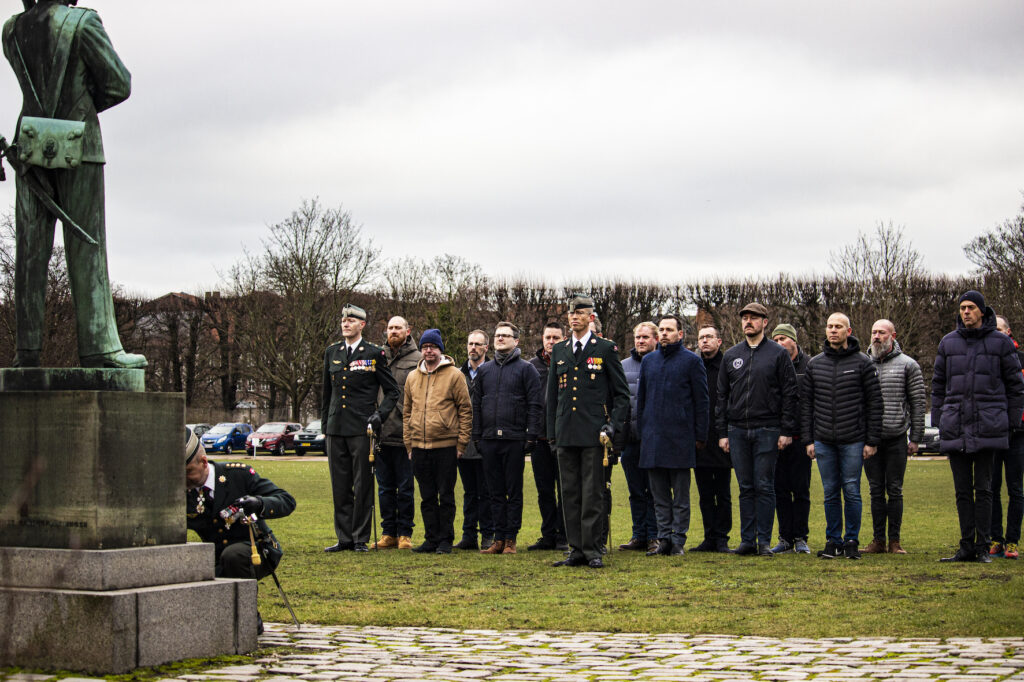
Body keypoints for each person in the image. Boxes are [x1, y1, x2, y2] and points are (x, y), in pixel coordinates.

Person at [3, 0, 146, 369]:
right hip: (80, 146)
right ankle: (99, 349)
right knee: (87, 247)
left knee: (30, 252)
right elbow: (118, 84)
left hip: (29, 144)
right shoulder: (84, 24)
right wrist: (78, 106)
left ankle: (27, 352)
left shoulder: (11, 31)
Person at [933, 291, 1024, 563]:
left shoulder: (1001, 343)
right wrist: (939, 419)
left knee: (984, 489)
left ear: (982, 311)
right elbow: (938, 385)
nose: (966, 312)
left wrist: (1010, 421)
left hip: (988, 426)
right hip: (956, 425)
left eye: (971, 307)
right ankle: (966, 546)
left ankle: (983, 546)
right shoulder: (948, 343)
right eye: (962, 307)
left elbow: (1015, 386)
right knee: (962, 491)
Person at [186, 427, 295, 634]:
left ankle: (248, 617)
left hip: (256, 552)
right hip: (215, 559)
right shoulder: (185, 493)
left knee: (233, 555)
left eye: (188, 471)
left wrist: (259, 503)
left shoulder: (238, 475)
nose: (185, 479)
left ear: (203, 462)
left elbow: (286, 501)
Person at [547, 295, 629, 569]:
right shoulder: (559, 350)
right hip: (566, 432)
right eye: (571, 313)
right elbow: (552, 396)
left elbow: (621, 394)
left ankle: (593, 549)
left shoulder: (605, 348)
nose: (574, 317)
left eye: (580, 313)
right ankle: (576, 550)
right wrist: (552, 434)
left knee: (592, 494)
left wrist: (613, 425)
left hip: (594, 433)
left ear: (590, 317)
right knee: (569, 493)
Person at [716, 303, 798, 557]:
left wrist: (786, 430)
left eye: (753, 318)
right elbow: (722, 396)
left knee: (764, 485)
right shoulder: (732, 355)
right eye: (745, 318)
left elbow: (790, 394)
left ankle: (764, 541)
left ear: (765, 322)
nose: (748, 322)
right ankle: (747, 541)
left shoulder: (778, 354)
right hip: (737, 430)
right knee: (745, 487)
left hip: (768, 428)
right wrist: (722, 432)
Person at [802, 313, 882, 560]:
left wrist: (872, 440)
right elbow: (807, 405)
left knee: (851, 490)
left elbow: (875, 403)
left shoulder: (863, 363)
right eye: (829, 326)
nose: (833, 330)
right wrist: (808, 440)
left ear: (849, 331)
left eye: (838, 326)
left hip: (853, 439)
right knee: (830, 492)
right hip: (824, 439)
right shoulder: (815, 364)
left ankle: (851, 541)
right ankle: (833, 541)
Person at [322, 305, 400, 553]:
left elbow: (392, 391)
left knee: (363, 484)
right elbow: (326, 394)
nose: (346, 324)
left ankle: (359, 538)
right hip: (336, 427)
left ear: (362, 325)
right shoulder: (332, 352)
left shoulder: (374, 353)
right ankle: (344, 537)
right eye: (344, 320)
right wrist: (325, 427)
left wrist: (379, 415)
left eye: (351, 320)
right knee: (340, 485)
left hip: (361, 428)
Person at [637, 315, 708, 557]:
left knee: (680, 497)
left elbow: (702, 401)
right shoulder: (649, 361)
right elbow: (642, 400)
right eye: (662, 329)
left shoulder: (692, 361)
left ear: (680, 334)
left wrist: (700, 435)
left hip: (680, 439)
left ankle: (678, 539)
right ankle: (664, 538)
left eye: (669, 329)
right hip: (653, 439)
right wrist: (643, 432)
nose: (665, 333)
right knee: (659, 496)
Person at [472, 322, 544, 554]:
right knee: (494, 492)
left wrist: (531, 435)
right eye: (497, 335)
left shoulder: (526, 369)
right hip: (489, 439)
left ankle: (511, 538)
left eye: (505, 335)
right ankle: (498, 538)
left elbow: (535, 405)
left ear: (516, 340)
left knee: (513, 492)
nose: (500, 339)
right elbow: (476, 405)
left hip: (514, 439)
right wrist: (477, 436)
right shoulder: (484, 371)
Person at [404, 329, 473, 554]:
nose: (428, 351)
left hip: (446, 446)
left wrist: (461, 443)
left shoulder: (455, 375)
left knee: (446, 495)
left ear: (440, 349)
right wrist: (409, 444)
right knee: (426, 497)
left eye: (432, 347)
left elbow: (465, 410)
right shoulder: (412, 377)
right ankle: (431, 539)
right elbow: (407, 412)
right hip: (419, 447)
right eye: (425, 347)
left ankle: (446, 539)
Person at [862, 319, 926, 555]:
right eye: (874, 332)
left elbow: (918, 402)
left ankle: (895, 541)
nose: (876, 336)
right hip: (870, 438)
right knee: (875, 490)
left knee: (895, 489)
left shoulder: (908, 365)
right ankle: (878, 540)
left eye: (881, 332)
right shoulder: (863, 364)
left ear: (893, 336)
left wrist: (916, 437)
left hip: (896, 436)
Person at [373, 316, 420, 550]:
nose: (393, 331)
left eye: (398, 328)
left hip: (405, 434)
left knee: (406, 488)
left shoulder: (418, 359)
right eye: (390, 328)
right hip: (381, 433)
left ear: (407, 331)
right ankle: (388, 533)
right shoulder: (377, 356)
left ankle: (405, 533)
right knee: (384, 488)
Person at [769, 323, 813, 555]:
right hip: (777, 439)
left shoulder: (809, 366)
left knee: (801, 489)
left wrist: (810, 437)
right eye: (775, 340)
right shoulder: (772, 366)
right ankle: (785, 537)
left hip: (800, 438)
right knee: (780, 490)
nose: (779, 344)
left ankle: (800, 537)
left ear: (794, 340)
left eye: (783, 339)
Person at [526, 322, 568, 551]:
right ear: (542, 339)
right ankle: (548, 534)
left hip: (563, 438)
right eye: (548, 337)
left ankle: (564, 535)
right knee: (544, 491)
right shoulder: (531, 366)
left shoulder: (569, 363)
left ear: (563, 339)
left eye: (556, 338)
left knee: (565, 490)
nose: (551, 342)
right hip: (540, 439)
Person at [618, 321, 660, 553]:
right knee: (635, 491)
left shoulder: (661, 363)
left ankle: (655, 535)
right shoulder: (623, 366)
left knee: (654, 491)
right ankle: (639, 535)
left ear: (655, 339)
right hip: (631, 440)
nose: (641, 341)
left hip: (654, 441)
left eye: (645, 337)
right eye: (638, 337)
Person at [694, 326, 732, 553]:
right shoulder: (694, 365)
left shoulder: (728, 366)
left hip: (722, 438)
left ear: (719, 341)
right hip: (700, 439)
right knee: (705, 493)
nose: (705, 341)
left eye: (709, 337)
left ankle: (722, 537)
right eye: (701, 338)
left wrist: (726, 433)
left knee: (723, 492)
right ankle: (709, 536)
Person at [456, 329, 495, 550]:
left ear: (486, 348)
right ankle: (468, 535)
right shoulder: (458, 373)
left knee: (486, 491)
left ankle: (488, 534)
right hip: (464, 441)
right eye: (470, 343)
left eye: (477, 344)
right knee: (469, 492)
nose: (473, 347)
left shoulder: (492, 371)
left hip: (485, 440)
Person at [991, 315, 1024, 559]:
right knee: (990, 488)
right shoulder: (987, 361)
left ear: (1009, 332)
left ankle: (1012, 541)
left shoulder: (1021, 360)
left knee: (1015, 488)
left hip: (1018, 433)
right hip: (993, 432)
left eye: (999, 329)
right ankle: (995, 538)